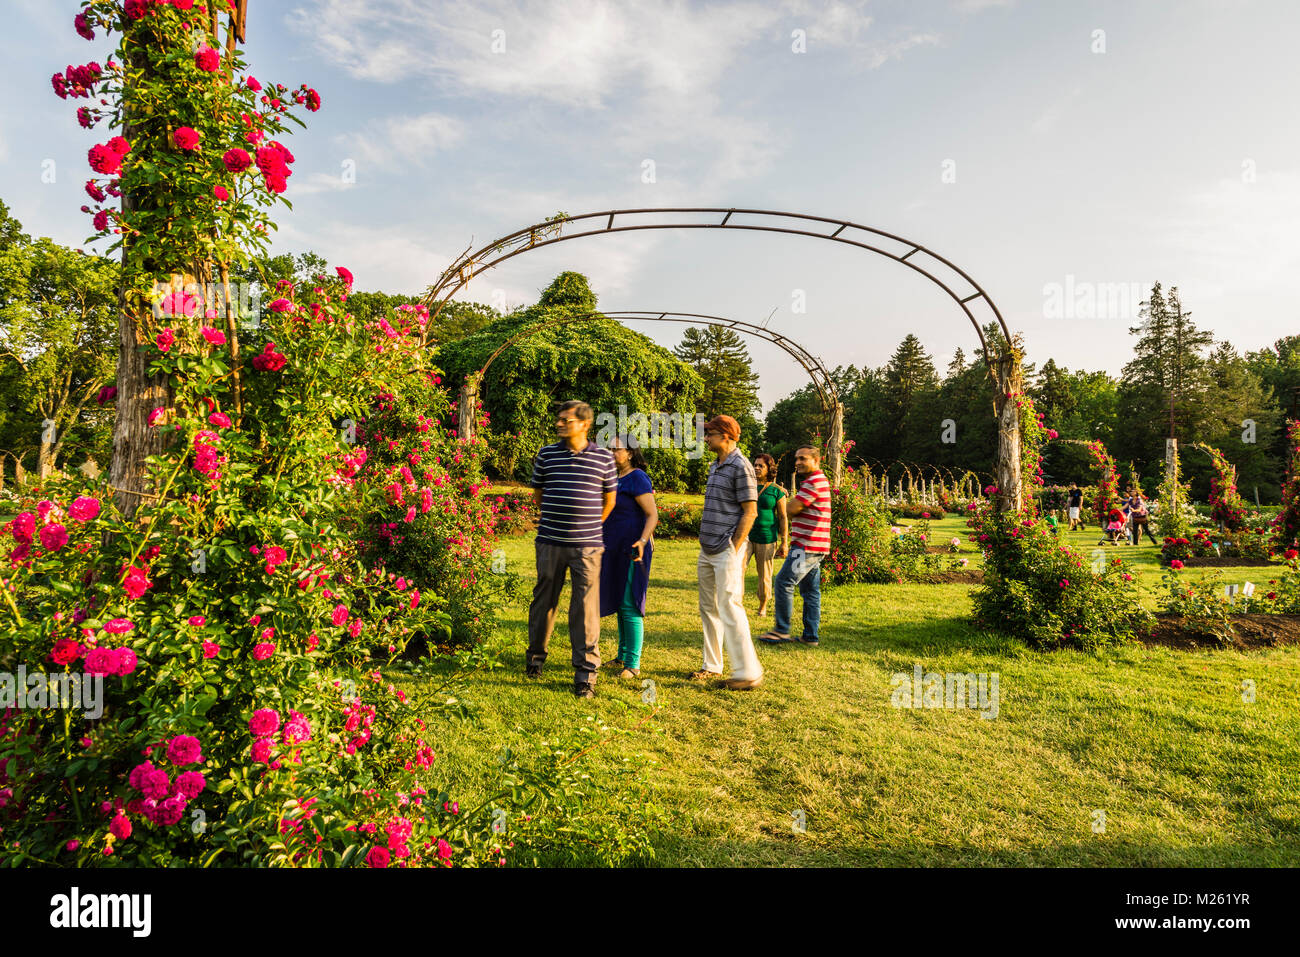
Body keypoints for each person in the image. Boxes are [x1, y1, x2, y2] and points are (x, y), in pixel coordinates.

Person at [525, 400, 617, 698]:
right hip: (550, 541)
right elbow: (538, 494)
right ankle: (535, 659)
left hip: (588, 547)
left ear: (585, 424)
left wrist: (587, 526)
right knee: (544, 602)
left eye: (566, 420)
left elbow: (609, 501)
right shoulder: (546, 454)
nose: (560, 424)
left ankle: (585, 675)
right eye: (559, 419)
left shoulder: (604, 458)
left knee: (585, 609)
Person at [693, 414, 763, 691]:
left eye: (710, 433)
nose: (706, 437)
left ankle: (749, 671)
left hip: (725, 549)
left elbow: (750, 512)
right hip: (706, 548)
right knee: (708, 608)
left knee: (730, 607)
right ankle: (712, 665)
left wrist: (733, 548)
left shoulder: (741, 466)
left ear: (726, 436)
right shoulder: (715, 465)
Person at [759, 445, 831, 647]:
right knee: (810, 591)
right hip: (815, 545)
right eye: (796, 458)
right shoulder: (819, 481)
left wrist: (784, 501)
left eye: (803, 459)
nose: (798, 462)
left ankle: (781, 630)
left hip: (806, 546)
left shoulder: (813, 482)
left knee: (783, 582)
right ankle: (810, 636)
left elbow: (791, 508)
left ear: (816, 461)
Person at [600, 435, 658, 679]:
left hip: (634, 548)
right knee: (620, 603)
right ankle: (622, 656)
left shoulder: (637, 477)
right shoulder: (613, 478)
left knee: (630, 602)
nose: (612, 453)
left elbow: (652, 515)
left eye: (617, 449)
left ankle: (633, 664)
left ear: (631, 453)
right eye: (610, 448)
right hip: (614, 548)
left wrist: (643, 541)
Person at [744, 452, 788, 617]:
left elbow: (783, 517)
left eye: (760, 465)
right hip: (745, 536)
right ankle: (734, 602)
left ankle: (762, 605)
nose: (756, 468)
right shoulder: (746, 485)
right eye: (754, 465)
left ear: (769, 469)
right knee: (737, 569)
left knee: (764, 575)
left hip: (767, 538)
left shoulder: (777, 491)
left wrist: (784, 542)